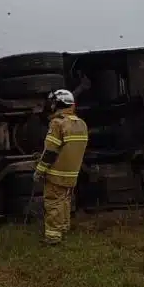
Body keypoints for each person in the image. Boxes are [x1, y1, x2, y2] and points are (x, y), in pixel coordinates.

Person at [33, 90, 89, 245]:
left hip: (56, 173)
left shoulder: (58, 123)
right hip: (72, 174)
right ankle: (63, 229)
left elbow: (50, 151)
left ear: (56, 105)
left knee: (53, 203)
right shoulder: (81, 124)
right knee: (64, 201)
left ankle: (52, 237)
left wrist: (39, 170)